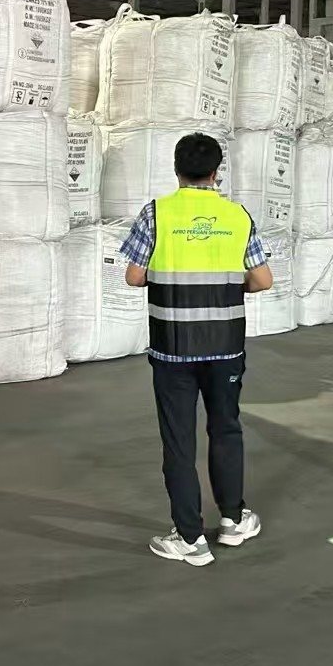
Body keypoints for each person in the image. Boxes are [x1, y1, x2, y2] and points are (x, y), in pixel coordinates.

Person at [120, 132, 272, 567]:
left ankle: (190, 538)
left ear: (176, 170)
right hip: (225, 347)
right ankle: (233, 520)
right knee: (226, 428)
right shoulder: (237, 216)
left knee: (179, 440)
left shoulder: (157, 213)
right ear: (216, 171)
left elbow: (134, 276)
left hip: (173, 348)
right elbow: (263, 280)